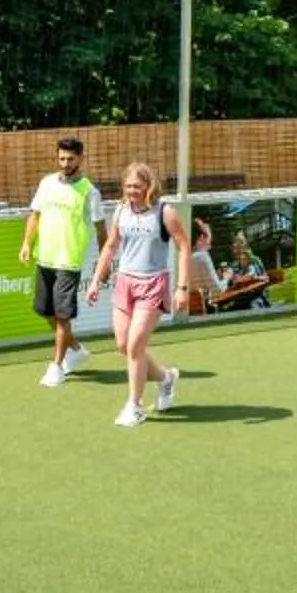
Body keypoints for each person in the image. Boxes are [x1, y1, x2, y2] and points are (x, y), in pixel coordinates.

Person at [84, 162, 189, 427]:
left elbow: (184, 246)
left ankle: (135, 406)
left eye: (137, 187)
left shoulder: (164, 212)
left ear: (148, 186)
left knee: (135, 346)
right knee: (124, 345)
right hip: (124, 283)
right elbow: (110, 246)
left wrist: (182, 287)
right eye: (129, 186)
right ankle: (166, 378)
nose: (132, 191)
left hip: (153, 284)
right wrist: (95, 281)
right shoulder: (121, 210)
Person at [16, 136, 97, 386]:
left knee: (62, 317)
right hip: (45, 258)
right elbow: (34, 215)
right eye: (61, 158)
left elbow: (102, 229)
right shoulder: (46, 183)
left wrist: (103, 264)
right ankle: (76, 350)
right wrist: (27, 244)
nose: (65, 163)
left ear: (80, 158)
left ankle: (57, 366)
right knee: (46, 312)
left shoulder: (89, 192)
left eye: (70, 159)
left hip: (68, 262)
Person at [176, 215, 225, 319]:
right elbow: (218, 291)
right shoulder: (201, 257)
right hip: (203, 315)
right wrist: (227, 278)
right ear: (201, 237)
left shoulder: (180, 257)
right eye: (207, 235)